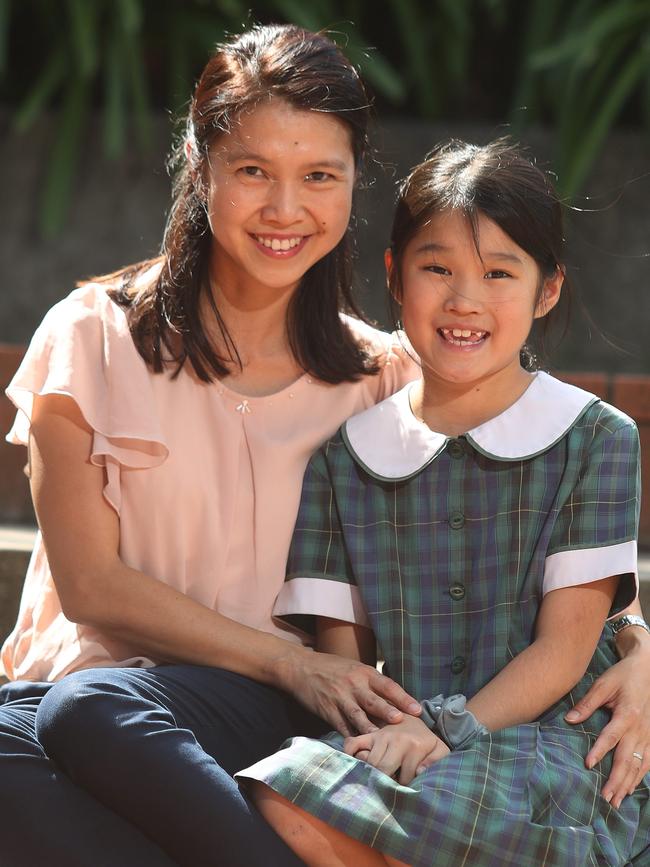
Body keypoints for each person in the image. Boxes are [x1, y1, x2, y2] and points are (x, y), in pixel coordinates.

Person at [0, 23, 647, 866]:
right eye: (253, 172)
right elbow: (90, 585)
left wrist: (643, 658)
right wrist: (289, 660)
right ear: (200, 168)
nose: (284, 209)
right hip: (97, 692)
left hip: (281, 715)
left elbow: (562, 539)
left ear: (351, 186)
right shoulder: (90, 335)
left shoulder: (385, 375)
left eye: (318, 177)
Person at [239, 139, 650, 866]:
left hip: (548, 743)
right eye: (438, 268)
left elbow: (563, 653)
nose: (465, 300)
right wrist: (395, 733)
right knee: (282, 793)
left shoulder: (596, 438)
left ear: (546, 289)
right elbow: (348, 665)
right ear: (395, 276)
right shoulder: (345, 456)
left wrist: (443, 728)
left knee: (433, 812)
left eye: (499, 273)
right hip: (411, 740)